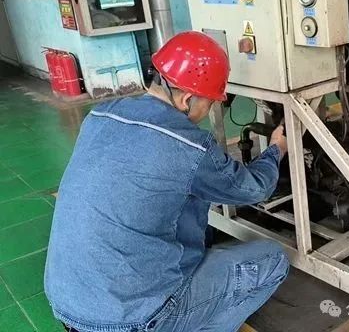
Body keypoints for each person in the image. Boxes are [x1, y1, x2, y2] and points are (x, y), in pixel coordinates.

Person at [45, 31, 290, 332]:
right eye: (210, 102)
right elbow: (255, 187)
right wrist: (276, 149)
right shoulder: (189, 146)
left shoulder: (100, 115)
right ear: (187, 98)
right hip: (130, 319)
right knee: (273, 260)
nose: (210, 109)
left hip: (66, 302)